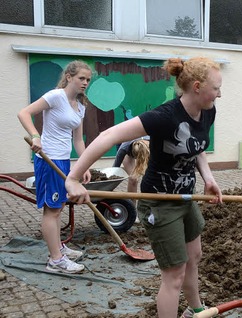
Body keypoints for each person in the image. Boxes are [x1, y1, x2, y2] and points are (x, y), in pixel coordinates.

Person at [64, 57, 224, 318]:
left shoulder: (208, 111)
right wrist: (73, 177)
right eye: (216, 87)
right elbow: (108, 136)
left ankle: (194, 310)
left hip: (185, 197)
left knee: (194, 256)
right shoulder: (164, 116)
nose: (220, 93)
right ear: (197, 86)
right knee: (174, 273)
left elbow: (197, 148)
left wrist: (208, 178)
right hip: (159, 202)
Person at [17, 60, 93, 274]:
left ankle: (58, 247)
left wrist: (83, 163)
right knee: (52, 211)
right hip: (48, 159)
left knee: (58, 208)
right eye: (81, 78)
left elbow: (78, 140)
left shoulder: (80, 106)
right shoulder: (55, 96)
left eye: (88, 80)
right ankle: (56, 261)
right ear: (69, 77)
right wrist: (35, 136)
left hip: (63, 161)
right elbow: (24, 113)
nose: (85, 83)